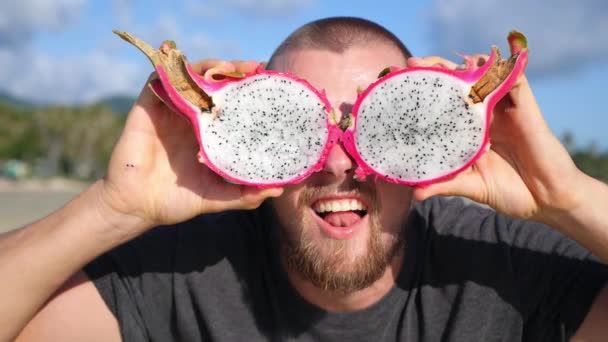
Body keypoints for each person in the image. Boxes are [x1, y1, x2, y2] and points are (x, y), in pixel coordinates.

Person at [3, 17, 608, 341]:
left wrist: (567, 198)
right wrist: (113, 209)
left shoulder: (513, 270)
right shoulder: (170, 275)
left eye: (393, 126)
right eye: (293, 130)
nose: (339, 162)